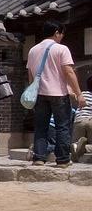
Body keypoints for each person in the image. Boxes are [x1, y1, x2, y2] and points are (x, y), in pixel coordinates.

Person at [28, 21, 85, 166]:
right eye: (61, 34)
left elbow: (30, 75)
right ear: (57, 33)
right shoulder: (61, 49)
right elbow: (69, 72)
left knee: (41, 126)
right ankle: (62, 159)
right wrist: (78, 93)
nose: (62, 37)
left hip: (39, 94)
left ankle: (39, 157)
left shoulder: (32, 50)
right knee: (62, 126)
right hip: (58, 93)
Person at [72, 76, 92, 161]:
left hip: (79, 121)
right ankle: (86, 147)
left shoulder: (82, 94)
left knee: (75, 143)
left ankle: (76, 145)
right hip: (91, 121)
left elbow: (72, 96)